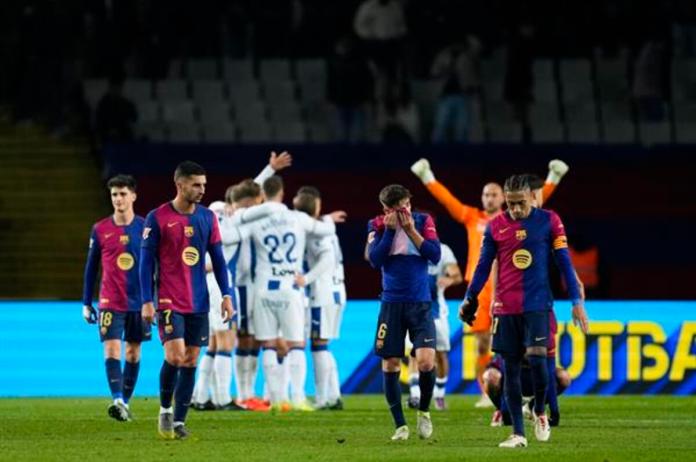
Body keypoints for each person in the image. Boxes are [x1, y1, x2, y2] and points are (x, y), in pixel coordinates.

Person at [411, 158, 568, 408]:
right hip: (481, 287)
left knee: (515, 344)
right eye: (486, 194)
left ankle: (520, 393)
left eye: (494, 194)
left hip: (512, 285)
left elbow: (537, 204)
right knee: (483, 342)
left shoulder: (516, 218)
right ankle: (486, 391)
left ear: (503, 198)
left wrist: (553, 180)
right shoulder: (474, 218)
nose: (489, 198)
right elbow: (449, 202)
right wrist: (427, 177)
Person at [459, 174, 588, 448]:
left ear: (532, 197)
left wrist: (576, 301)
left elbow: (564, 262)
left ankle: (540, 411)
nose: (515, 209)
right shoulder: (495, 226)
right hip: (505, 308)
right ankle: (518, 433)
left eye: (520, 203)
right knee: (511, 368)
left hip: (538, 305)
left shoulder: (549, 221)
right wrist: (470, 298)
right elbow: (483, 266)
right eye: (511, 204)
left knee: (541, 361)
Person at [221, 176, 346, 411]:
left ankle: (277, 400)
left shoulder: (255, 222)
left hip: (263, 290)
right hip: (290, 288)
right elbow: (325, 229)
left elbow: (228, 237)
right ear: (282, 192)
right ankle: (297, 398)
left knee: (268, 344)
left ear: (262, 196)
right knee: (296, 344)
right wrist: (328, 218)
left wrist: (230, 217)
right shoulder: (297, 218)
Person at [192, 151, 293, 412]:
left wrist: (269, 170)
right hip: (221, 285)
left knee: (214, 344)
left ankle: (201, 397)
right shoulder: (239, 224)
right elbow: (258, 202)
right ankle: (225, 399)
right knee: (226, 342)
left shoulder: (215, 210)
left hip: (209, 284)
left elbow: (245, 194)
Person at [140, 161, 234, 440]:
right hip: (169, 299)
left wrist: (226, 295)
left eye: (204, 184)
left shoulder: (207, 218)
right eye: (196, 184)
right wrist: (147, 300)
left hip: (199, 300)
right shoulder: (156, 218)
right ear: (180, 185)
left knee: (191, 359)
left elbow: (218, 260)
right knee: (175, 355)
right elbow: (145, 264)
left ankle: (179, 421)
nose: (202, 189)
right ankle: (165, 410)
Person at [367, 184, 441, 441]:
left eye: (406, 206)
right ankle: (400, 425)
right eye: (397, 210)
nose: (404, 212)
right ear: (386, 210)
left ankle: (424, 411)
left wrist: (410, 230)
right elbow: (374, 259)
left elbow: (434, 255)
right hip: (391, 304)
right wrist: (389, 231)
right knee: (390, 363)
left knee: (426, 361)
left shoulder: (423, 221)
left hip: (420, 303)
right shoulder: (376, 225)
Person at [82, 174, 149, 422]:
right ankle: (118, 398)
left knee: (133, 352)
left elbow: (157, 266)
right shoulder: (100, 229)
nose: (118, 199)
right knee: (111, 348)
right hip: (110, 300)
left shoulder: (145, 228)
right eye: (114, 194)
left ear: (133, 196)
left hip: (140, 301)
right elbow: (91, 268)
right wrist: (87, 302)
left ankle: (125, 404)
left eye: (122, 194)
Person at [293, 187, 347, 410]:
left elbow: (326, 259)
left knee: (319, 346)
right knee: (323, 346)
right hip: (335, 291)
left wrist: (306, 278)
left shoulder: (316, 232)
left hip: (322, 294)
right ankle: (333, 396)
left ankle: (323, 398)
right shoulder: (324, 227)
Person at [430, 36, 482, 143]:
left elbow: (472, 75)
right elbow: (434, 72)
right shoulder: (443, 55)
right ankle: (437, 153)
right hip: (446, 95)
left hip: (463, 95)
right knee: (441, 126)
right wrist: (445, 70)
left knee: (462, 128)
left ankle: (461, 154)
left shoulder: (468, 56)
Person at [95, 75, 137, 145]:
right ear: (110, 88)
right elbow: (99, 122)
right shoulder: (103, 104)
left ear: (121, 89)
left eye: (118, 88)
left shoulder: (126, 104)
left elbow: (134, 117)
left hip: (123, 136)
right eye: (114, 88)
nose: (116, 91)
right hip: (107, 137)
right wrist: (109, 131)